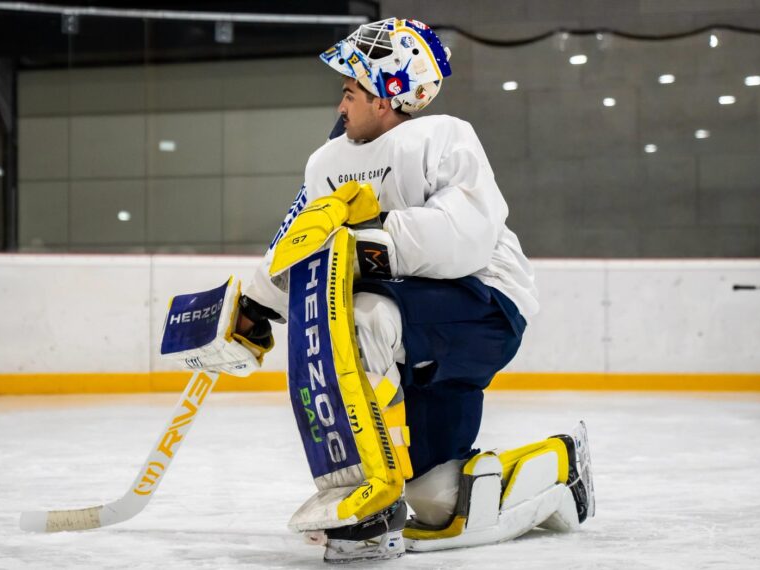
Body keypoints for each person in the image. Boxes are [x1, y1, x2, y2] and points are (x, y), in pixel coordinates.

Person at [227, 18, 592, 562]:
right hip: (414, 337)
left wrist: (364, 240)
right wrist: (258, 303)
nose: (340, 107)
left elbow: (463, 238)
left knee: (363, 316)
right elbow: (299, 241)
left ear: (385, 97)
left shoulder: (443, 137)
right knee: (439, 502)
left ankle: (364, 498)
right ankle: (563, 465)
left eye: (350, 92)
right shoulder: (327, 164)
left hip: (482, 306)